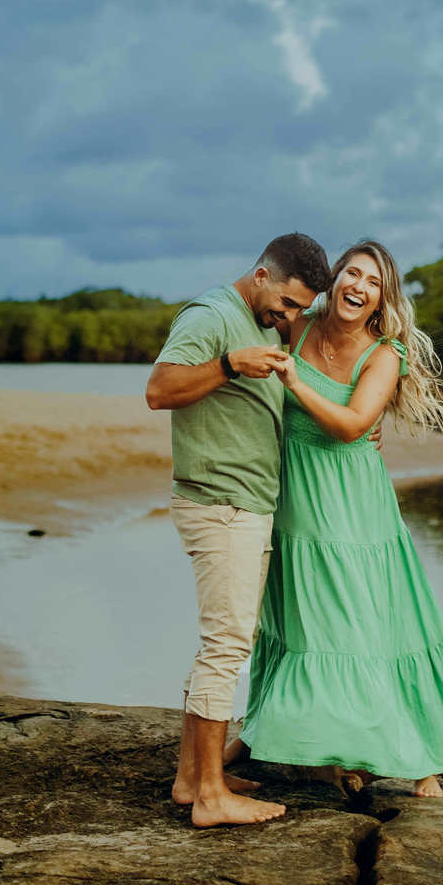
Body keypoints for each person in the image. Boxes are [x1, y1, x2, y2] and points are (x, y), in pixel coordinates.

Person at [239, 238, 443, 795]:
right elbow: (248, 317)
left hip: (352, 502)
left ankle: (417, 756)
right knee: (297, 619)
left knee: (365, 620)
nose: (359, 287)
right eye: (352, 274)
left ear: (382, 298)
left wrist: (295, 383)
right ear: (334, 281)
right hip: (295, 493)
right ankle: (265, 730)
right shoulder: (297, 325)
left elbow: (354, 425)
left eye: (373, 282)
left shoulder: (385, 354)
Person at [145, 232, 331, 827]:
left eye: (302, 308)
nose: (293, 317)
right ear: (261, 275)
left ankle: (192, 779)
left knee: (223, 643)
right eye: (289, 303)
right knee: (225, 648)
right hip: (220, 504)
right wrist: (229, 365)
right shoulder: (211, 315)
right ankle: (210, 797)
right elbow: (158, 391)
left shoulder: (264, 322)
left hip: (247, 505)